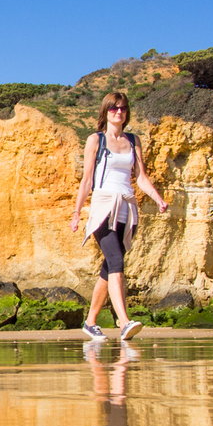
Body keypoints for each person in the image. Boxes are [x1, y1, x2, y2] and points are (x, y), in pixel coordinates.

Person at [69, 92, 168, 340]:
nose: (119, 113)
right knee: (116, 262)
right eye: (113, 109)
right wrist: (76, 213)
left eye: (122, 108)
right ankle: (124, 322)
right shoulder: (96, 140)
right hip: (103, 207)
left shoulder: (133, 141)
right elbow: (87, 179)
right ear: (106, 112)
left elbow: (141, 177)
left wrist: (158, 199)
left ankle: (90, 322)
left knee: (110, 266)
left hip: (127, 208)